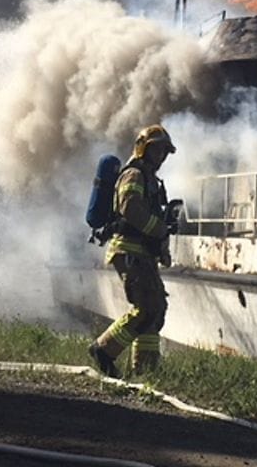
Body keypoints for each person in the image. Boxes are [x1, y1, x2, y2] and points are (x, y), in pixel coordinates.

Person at [88, 124, 176, 378]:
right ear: (142, 149)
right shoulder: (134, 175)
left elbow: (152, 217)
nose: (160, 156)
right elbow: (131, 209)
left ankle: (145, 371)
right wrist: (159, 229)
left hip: (143, 254)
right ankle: (103, 350)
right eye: (156, 150)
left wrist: (162, 246)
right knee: (146, 308)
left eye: (164, 151)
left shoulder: (151, 180)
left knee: (156, 309)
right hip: (129, 251)